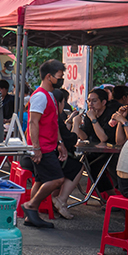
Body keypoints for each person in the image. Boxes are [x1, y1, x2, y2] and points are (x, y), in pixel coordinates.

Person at [20, 59, 68, 229]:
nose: (61, 79)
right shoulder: (40, 96)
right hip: (43, 147)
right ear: (49, 77)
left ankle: (32, 216)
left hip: (50, 145)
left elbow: (53, 122)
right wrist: (36, 148)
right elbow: (33, 123)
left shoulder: (51, 96)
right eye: (59, 76)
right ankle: (31, 205)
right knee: (57, 179)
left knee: (40, 181)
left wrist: (60, 142)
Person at [72, 87, 120, 199]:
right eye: (88, 101)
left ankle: (112, 196)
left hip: (113, 149)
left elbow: (104, 138)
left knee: (93, 165)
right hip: (96, 149)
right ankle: (109, 196)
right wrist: (76, 124)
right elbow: (86, 136)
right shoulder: (90, 114)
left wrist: (94, 119)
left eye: (94, 101)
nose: (90, 104)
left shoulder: (111, 115)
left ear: (103, 102)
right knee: (85, 163)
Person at [51, 89, 84, 219]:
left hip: (39, 155)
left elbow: (62, 134)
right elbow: (70, 140)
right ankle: (61, 200)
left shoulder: (49, 115)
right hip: (50, 158)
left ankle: (52, 200)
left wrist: (69, 121)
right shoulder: (56, 118)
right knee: (77, 166)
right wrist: (76, 123)